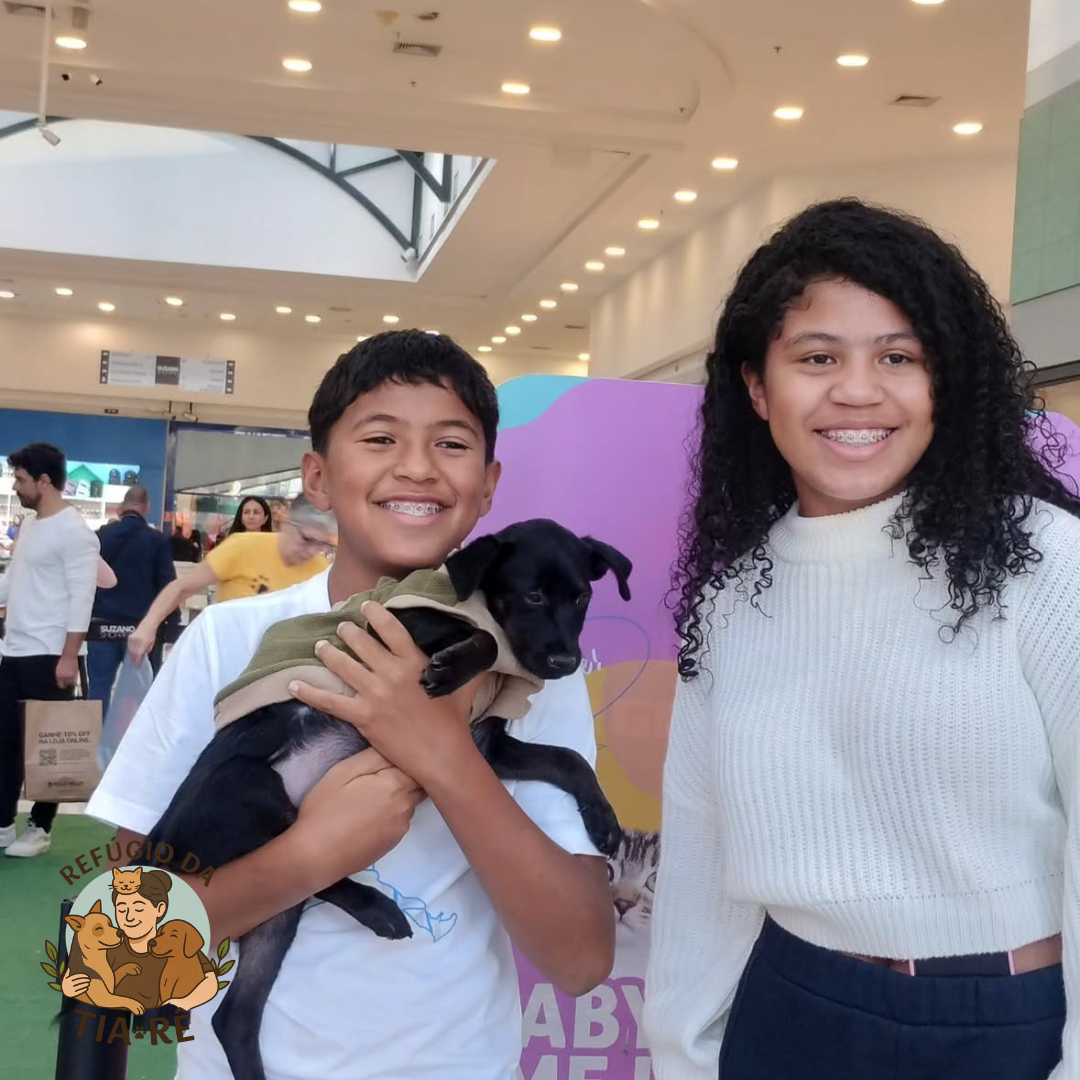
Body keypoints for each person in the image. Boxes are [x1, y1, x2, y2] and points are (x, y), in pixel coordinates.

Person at [87, 329, 614, 1079]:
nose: (417, 466)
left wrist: (443, 752)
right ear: (318, 477)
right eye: (379, 438)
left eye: (452, 444)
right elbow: (126, 954)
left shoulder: (525, 674)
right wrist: (311, 855)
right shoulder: (229, 641)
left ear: (489, 485)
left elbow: (582, 958)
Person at [643, 199, 1080, 1080]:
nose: (856, 390)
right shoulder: (731, 602)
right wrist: (681, 1053)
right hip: (788, 1012)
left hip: (1002, 1024)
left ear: (944, 380)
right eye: (817, 358)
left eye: (898, 357)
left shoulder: (1049, 560)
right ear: (757, 387)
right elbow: (700, 859)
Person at [0, 442, 99, 858]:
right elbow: (14, 581)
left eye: (21, 479)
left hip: (51, 653)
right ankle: (4, 823)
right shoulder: (29, 525)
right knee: (5, 741)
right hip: (14, 649)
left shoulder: (75, 532)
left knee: (49, 746)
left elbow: (82, 596)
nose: (16, 486)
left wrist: (69, 655)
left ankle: (41, 826)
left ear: (43, 481)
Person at [126, 494, 335, 666]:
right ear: (287, 522)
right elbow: (182, 587)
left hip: (277, 675)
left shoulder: (322, 571)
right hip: (225, 664)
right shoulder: (242, 546)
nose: (312, 551)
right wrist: (149, 625)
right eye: (307, 539)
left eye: (321, 544)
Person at [60, 868, 218, 1013]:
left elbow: (209, 980)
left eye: (139, 909)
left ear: (160, 909)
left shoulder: (173, 941)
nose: (129, 917)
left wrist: (183, 1002)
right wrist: (69, 985)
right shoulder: (109, 944)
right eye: (122, 909)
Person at [88, 486, 176, 715]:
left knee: (99, 688)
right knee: (141, 694)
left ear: (122, 507)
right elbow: (168, 585)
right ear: (147, 508)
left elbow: (87, 578)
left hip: (101, 625)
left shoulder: (101, 536)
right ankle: (135, 737)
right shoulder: (157, 540)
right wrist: (170, 628)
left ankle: (94, 735)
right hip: (140, 628)